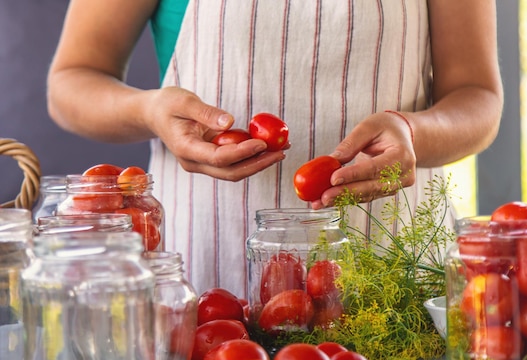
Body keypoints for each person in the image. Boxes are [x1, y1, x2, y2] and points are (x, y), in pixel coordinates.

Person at [47, 0, 503, 298]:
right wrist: (149, 111)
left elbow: (477, 95)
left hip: (394, 268)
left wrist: (413, 132)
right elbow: (71, 81)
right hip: (210, 281)